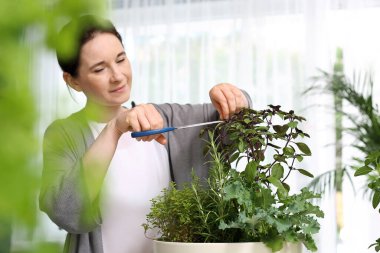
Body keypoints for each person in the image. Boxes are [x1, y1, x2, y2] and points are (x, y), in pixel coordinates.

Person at [39, 15, 252, 253]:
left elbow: (237, 124)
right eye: (99, 69)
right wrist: (114, 129)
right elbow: (65, 211)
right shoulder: (63, 134)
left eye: (121, 59)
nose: (117, 75)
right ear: (73, 81)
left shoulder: (165, 117)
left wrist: (233, 96)